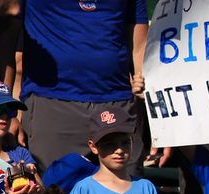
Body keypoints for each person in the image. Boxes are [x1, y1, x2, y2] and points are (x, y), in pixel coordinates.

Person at [8, 0, 146, 167]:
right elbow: (5, 42)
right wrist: (7, 110)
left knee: (127, 190)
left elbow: (139, 46)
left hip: (118, 103)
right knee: (57, 190)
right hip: (53, 105)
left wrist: (144, 82)